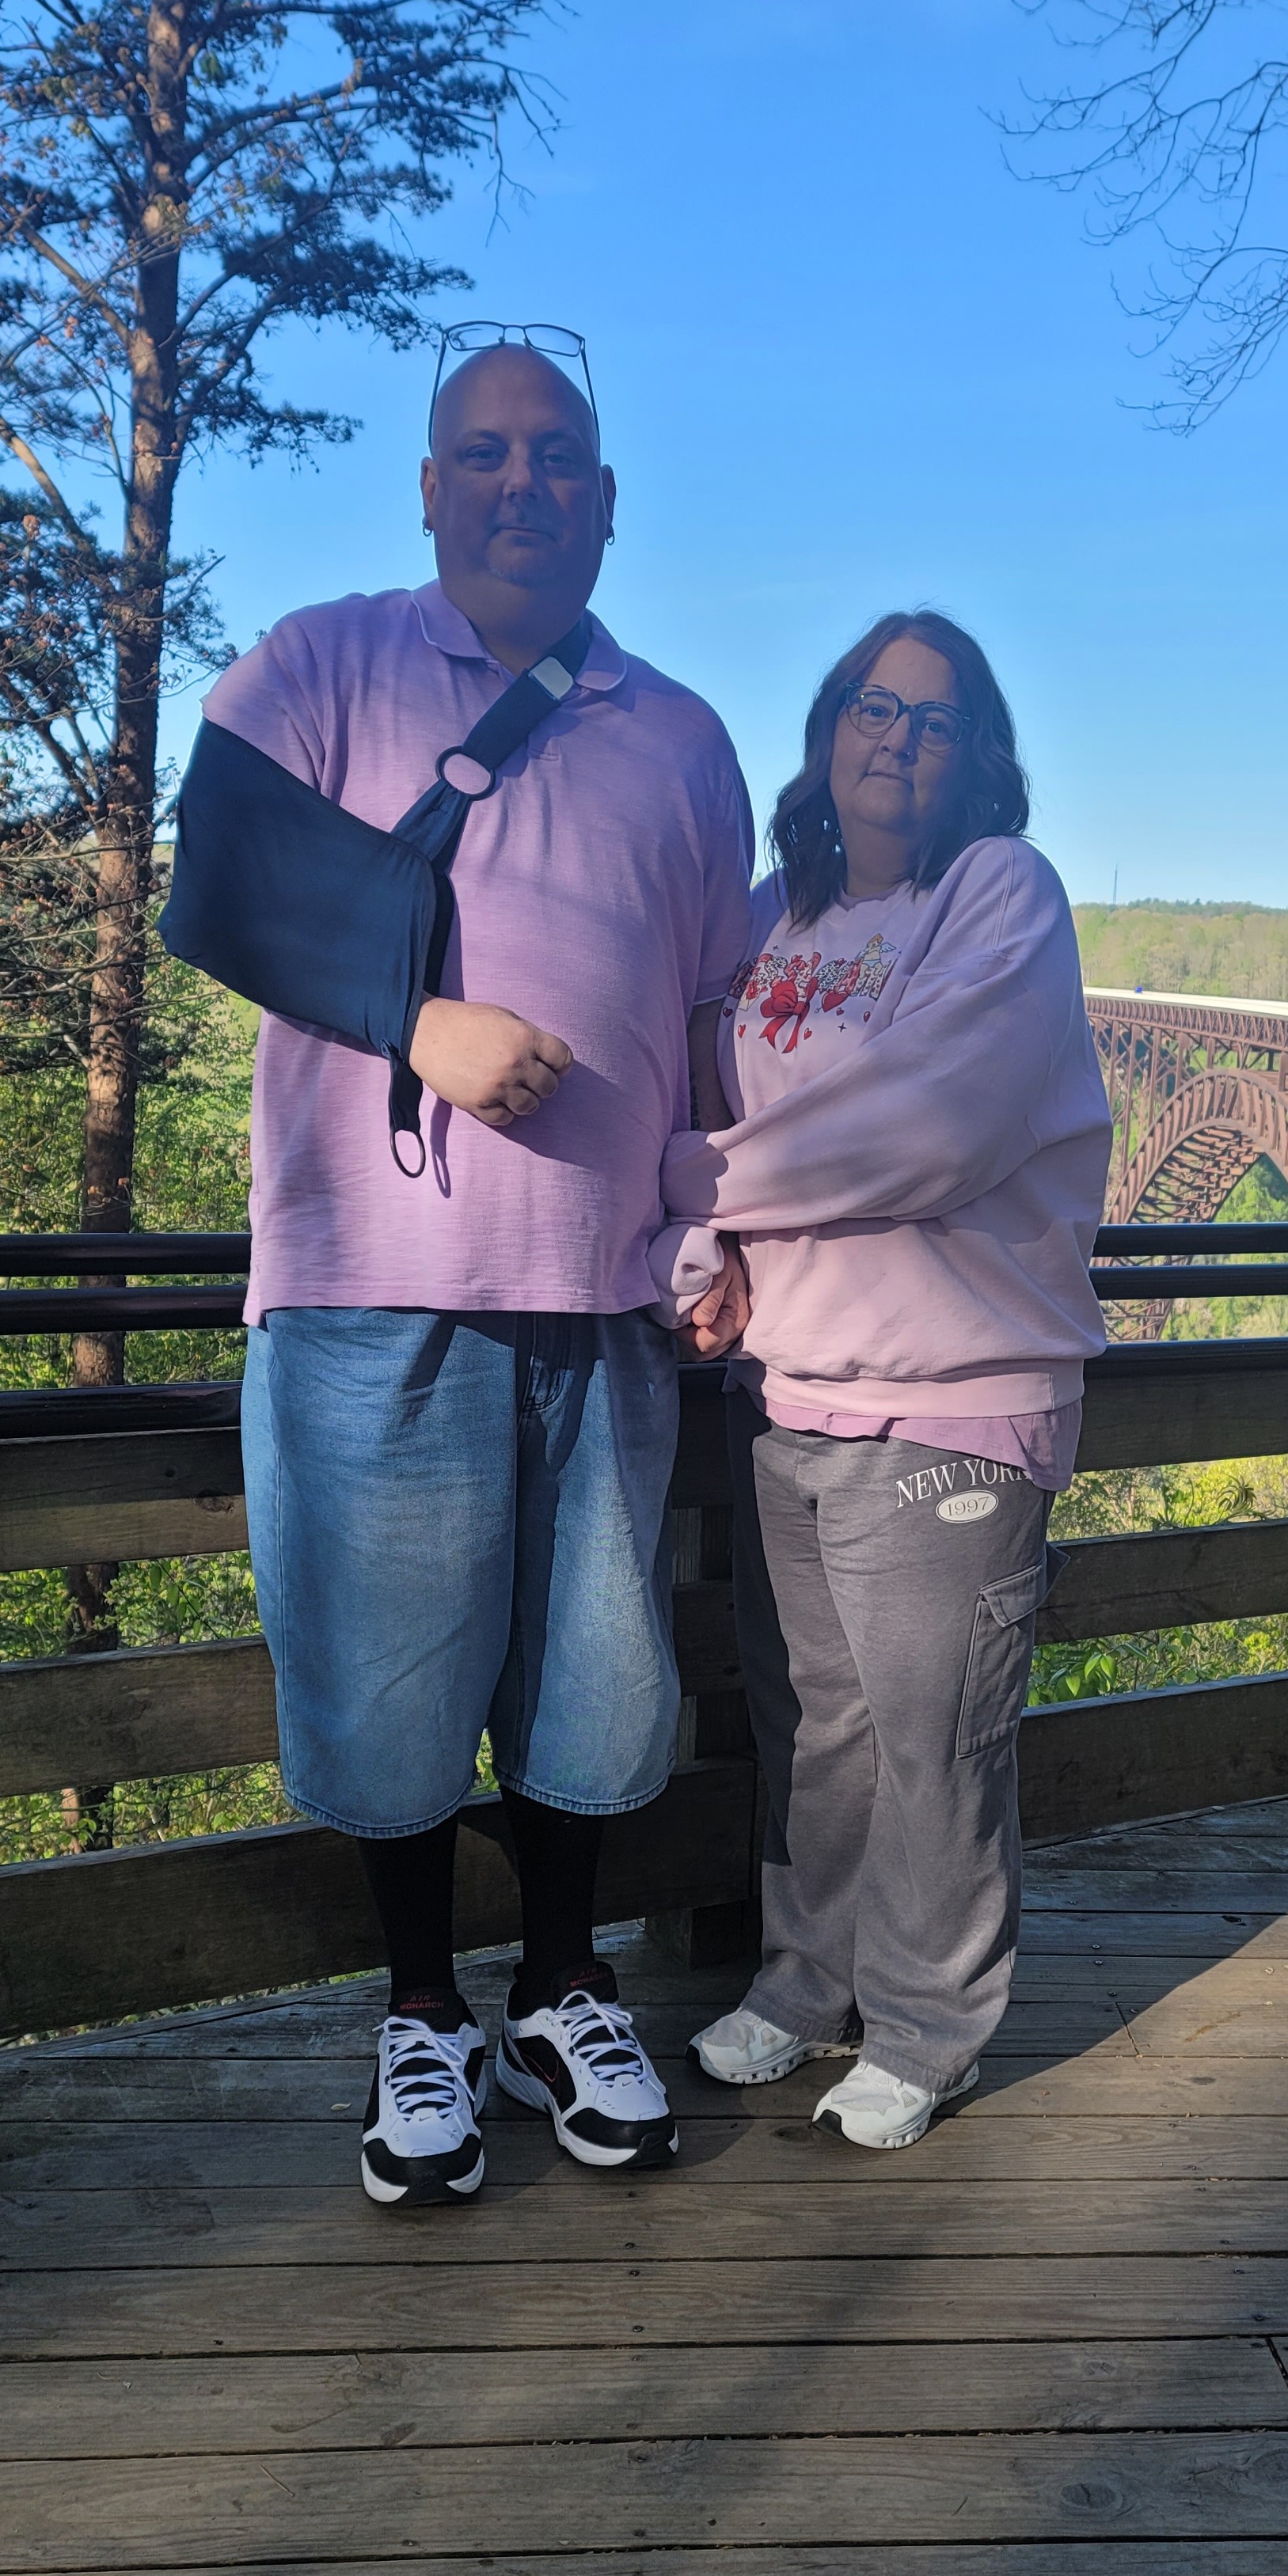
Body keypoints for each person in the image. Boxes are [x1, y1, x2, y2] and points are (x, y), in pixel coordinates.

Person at [187, 327, 750, 2207]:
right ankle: (422, 2009)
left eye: (558, 453)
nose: (524, 481)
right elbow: (217, 877)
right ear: (430, 488)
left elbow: (712, 1017)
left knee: (595, 1682)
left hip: (604, 1293)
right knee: (391, 1679)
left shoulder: (683, 737)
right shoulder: (320, 665)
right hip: (370, 1288)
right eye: (487, 452)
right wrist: (415, 1019)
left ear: (607, 498)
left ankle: (560, 1989)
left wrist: (717, 1219)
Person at [655, 610, 1112, 2147]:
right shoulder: (778, 917)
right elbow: (719, 1109)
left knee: (936, 1738)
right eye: (871, 704)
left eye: (933, 717)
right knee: (818, 1729)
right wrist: (709, 1248)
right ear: (827, 726)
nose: (897, 736)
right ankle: (807, 1987)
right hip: (789, 1390)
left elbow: (930, 1130)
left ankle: (928, 2026)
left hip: (955, 1397)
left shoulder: (999, 892)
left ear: (975, 755)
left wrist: (691, 1180)